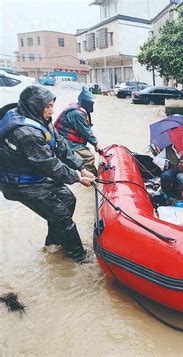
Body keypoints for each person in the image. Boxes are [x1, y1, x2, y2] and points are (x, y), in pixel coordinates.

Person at [0, 85, 96, 262]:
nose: (51, 111)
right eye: (47, 107)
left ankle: (53, 244)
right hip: (18, 183)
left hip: (36, 175)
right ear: (35, 106)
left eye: (52, 105)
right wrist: (77, 178)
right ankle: (80, 258)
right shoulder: (26, 132)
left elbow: (61, 145)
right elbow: (49, 164)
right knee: (60, 214)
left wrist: (81, 166)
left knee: (68, 199)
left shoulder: (40, 119)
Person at [54, 86, 101, 176]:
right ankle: (93, 180)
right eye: (91, 103)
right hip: (67, 142)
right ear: (84, 102)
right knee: (89, 158)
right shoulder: (77, 113)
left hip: (70, 141)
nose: (92, 105)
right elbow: (85, 131)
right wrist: (96, 143)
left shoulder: (80, 110)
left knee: (85, 156)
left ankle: (85, 174)